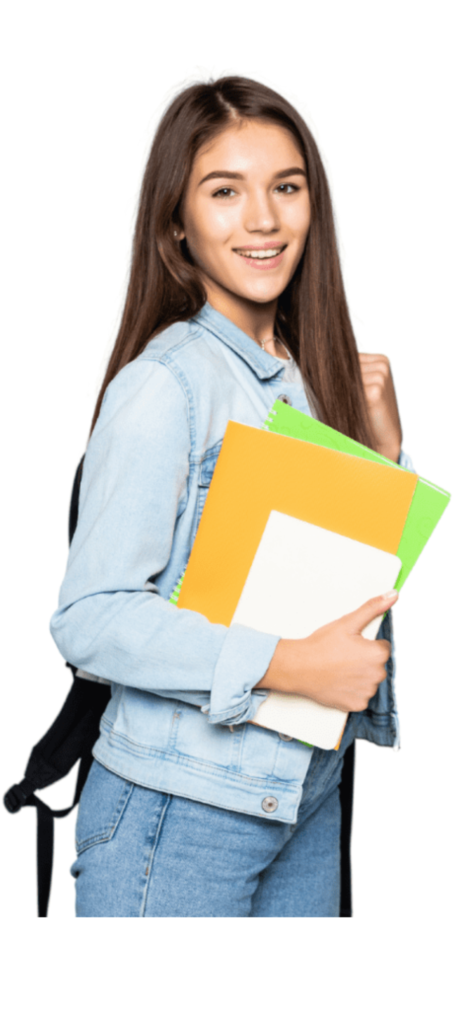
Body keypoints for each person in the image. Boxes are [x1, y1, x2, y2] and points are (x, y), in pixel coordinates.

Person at [50, 76, 414, 917]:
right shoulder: (165, 386)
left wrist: (382, 458)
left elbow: (331, 584)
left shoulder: (305, 376)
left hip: (299, 797)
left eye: (285, 188)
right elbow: (91, 617)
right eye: (224, 192)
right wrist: (288, 666)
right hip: (179, 814)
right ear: (177, 220)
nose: (263, 219)